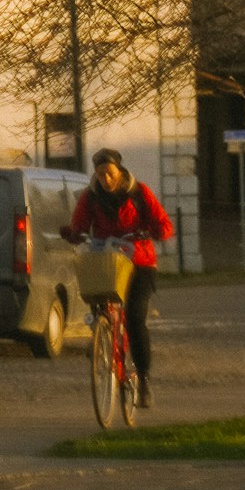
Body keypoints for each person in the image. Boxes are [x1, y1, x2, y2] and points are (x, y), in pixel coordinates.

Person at [63, 149, 173, 406]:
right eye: (100, 175)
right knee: (96, 293)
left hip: (139, 263)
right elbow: (79, 224)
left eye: (110, 174)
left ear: (119, 171)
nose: (106, 180)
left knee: (135, 317)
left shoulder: (139, 193)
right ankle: (100, 333)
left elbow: (163, 223)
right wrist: (73, 233)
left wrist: (156, 231)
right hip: (107, 259)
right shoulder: (91, 197)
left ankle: (144, 380)